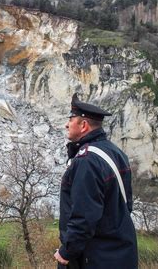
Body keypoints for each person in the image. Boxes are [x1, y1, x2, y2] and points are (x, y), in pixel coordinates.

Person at [54, 94, 138, 269]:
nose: (66, 124)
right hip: (120, 253)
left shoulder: (87, 161)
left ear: (83, 125)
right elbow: (126, 204)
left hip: (95, 258)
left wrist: (66, 251)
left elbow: (84, 216)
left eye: (71, 119)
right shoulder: (115, 152)